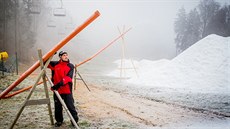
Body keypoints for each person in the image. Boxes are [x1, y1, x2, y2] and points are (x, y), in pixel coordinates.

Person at [48, 51, 79, 127]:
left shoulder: (70, 66)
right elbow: (45, 62)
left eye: (66, 55)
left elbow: (68, 78)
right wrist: (52, 54)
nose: (66, 56)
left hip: (67, 90)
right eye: (64, 55)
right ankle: (59, 121)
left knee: (70, 106)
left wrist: (58, 85)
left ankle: (74, 121)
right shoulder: (54, 64)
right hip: (57, 90)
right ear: (60, 57)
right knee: (58, 107)